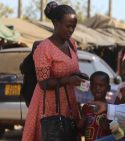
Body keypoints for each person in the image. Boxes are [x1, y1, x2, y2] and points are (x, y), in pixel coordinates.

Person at [22, 2, 85, 140]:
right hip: (49, 106)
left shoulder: (72, 44)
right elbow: (43, 83)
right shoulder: (44, 49)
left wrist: (78, 76)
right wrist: (68, 80)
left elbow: (71, 68)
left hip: (69, 103)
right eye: (68, 26)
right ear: (56, 23)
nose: (71, 30)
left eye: (73, 27)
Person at [82, 71, 112, 141]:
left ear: (108, 88)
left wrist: (108, 127)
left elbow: (119, 134)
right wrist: (81, 123)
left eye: (101, 85)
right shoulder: (86, 107)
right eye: (94, 85)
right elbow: (82, 131)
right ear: (90, 87)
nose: (97, 88)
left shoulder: (111, 109)